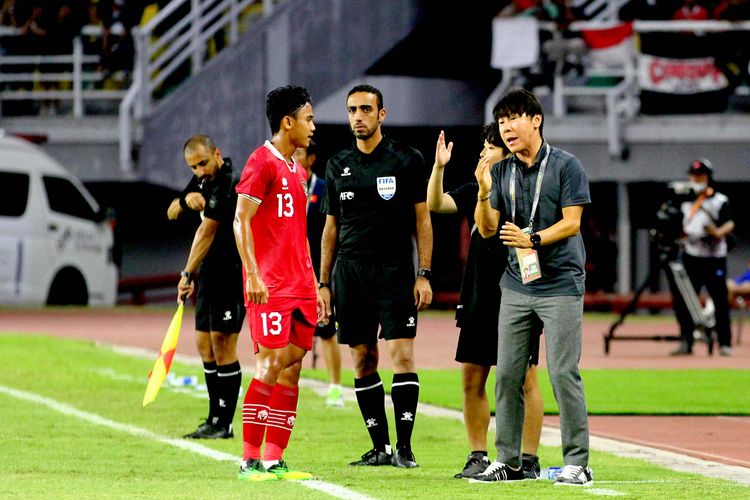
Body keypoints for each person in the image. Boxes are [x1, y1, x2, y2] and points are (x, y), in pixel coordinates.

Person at [474, 88, 592, 485]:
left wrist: (534, 239)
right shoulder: (502, 171)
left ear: (535, 120)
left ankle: (578, 462)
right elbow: (489, 229)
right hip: (517, 285)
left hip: (560, 283)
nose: (507, 127)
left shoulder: (565, 165)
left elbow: (573, 222)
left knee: (562, 373)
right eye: (502, 121)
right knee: (506, 374)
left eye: (514, 118)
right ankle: (509, 461)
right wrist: (483, 189)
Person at [319, 84, 433, 469]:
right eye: (352, 110)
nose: (358, 116)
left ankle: (405, 446)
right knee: (363, 359)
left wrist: (424, 273)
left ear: (381, 114)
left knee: (402, 354)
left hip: (395, 271)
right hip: (350, 274)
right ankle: (379, 447)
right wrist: (323, 283)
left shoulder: (406, 159)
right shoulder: (337, 165)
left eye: (366, 109)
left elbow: (422, 219)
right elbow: (330, 228)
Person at [427, 125, 544, 480]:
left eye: (489, 147)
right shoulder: (477, 188)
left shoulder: (524, 192)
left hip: (518, 293)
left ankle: (528, 458)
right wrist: (438, 168)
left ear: (507, 154)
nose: (482, 152)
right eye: (482, 146)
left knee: (524, 379)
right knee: (472, 379)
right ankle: (478, 455)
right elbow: (436, 203)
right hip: (479, 295)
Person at [233, 85, 323, 482]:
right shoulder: (261, 161)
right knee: (269, 364)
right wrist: (252, 272)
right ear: (288, 122)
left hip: (300, 284)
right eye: (308, 118)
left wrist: (315, 282)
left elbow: (299, 231)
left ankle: (274, 459)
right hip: (269, 285)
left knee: (293, 369)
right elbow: (241, 220)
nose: (313, 126)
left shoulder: (297, 170)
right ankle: (248, 460)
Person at [167, 135, 244, 440]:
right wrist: (185, 200)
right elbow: (172, 210)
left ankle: (224, 422)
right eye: (193, 166)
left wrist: (186, 273)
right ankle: (214, 417)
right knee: (203, 344)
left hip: (231, 271)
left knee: (223, 344)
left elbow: (207, 231)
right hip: (210, 273)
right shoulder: (200, 180)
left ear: (217, 154)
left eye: (202, 163)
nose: (199, 171)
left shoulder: (228, 181)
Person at [294, 139, 344, 408]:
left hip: (317, 271)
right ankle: (287, 383)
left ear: (311, 158)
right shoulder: (285, 186)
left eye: (299, 152)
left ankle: (335, 386)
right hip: (289, 271)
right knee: (288, 331)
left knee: (326, 330)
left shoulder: (324, 188)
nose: (294, 155)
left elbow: (332, 230)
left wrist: (324, 275)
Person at [671, 159, 735, 356]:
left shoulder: (719, 200)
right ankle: (686, 340)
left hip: (714, 256)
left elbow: (729, 223)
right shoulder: (684, 201)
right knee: (685, 300)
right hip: (692, 255)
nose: (696, 179)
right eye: (694, 175)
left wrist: (717, 232)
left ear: (708, 177)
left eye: (701, 176)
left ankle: (724, 343)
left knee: (720, 299)